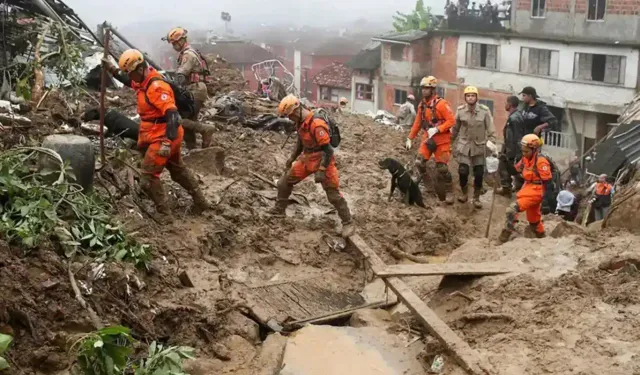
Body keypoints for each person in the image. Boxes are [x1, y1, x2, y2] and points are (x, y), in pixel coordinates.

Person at [103, 49, 211, 223]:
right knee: (178, 171)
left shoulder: (156, 87)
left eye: (131, 73)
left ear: (139, 69)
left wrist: (166, 143)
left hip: (164, 136)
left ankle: (165, 215)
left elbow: (174, 116)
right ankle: (202, 202)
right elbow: (130, 82)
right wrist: (112, 69)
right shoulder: (143, 80)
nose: (130, 78)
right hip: (159, 134)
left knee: (148, 175)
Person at [272, 95, 355, 237]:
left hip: (323, 158)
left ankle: (348, 222)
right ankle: (279, 210)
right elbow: (300, 141)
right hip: (307, 157)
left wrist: (322, 169)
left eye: (290, 115)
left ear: (297, 110)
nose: (290, 119)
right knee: (284, 182)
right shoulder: (300, 122)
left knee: (333, 194)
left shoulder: (317, 124)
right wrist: (292, 157)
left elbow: (328, 150)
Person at [405, 76, 456, 204]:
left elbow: (451, 120)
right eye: (423, 88)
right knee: (419, 162)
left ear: (433, 89)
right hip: (428, 138)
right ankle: (428, 186)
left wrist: (438, 129)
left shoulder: (442, 104)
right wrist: (410, 138)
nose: (424, 91)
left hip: (442, 139)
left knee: (442, 168)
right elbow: (417, 123)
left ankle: (450, 191)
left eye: (427, 88)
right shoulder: (422, 105)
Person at [166, 27, 215, 149]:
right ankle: (192, 149)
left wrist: (173, 86)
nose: (174, 46)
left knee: (180, 119)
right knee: (188, 121)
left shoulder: (188, 54)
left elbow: (181, 74)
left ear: (182, 41)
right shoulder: (190, 52)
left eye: (175, 43)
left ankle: (205, 129)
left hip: (195, 90)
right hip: (195, 89)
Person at [498, 134, 552, 243]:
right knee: (534, 220)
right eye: (523, 151)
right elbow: (515, 171)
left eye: (526, 151)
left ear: (534, 149)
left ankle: (504, 237)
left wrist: (546, 201)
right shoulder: (525, 159)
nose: (524, 154)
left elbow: (548, 182)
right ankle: (542, 238)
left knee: (512, 210)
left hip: (537, 191)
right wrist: (505, 162)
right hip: (528, 188)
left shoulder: (541, 161)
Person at [452, 86, 497, 208]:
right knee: (463, 171)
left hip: (479, 146)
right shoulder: (460, 111)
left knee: (478, 173)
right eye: (468, 96)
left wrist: (492, 142)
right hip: (464, 146)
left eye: (473, 95)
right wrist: (449, 141)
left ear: (476, 97)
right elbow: (455, 128)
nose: (470, 98)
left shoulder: (484, 111)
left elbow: (490, 128)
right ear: (465, 98)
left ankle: (476, 197)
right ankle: (464, 193)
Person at [498, 95, 525, 197]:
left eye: (506, 102)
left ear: (509, 104)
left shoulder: (514, 119)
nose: (505, 104)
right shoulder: (517, 116)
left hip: (513, 149)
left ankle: (507, 188)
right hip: (514, 148)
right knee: (511, 168)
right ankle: (514, 187)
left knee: (506, 166)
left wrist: (509, 153)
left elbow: (513, 138)